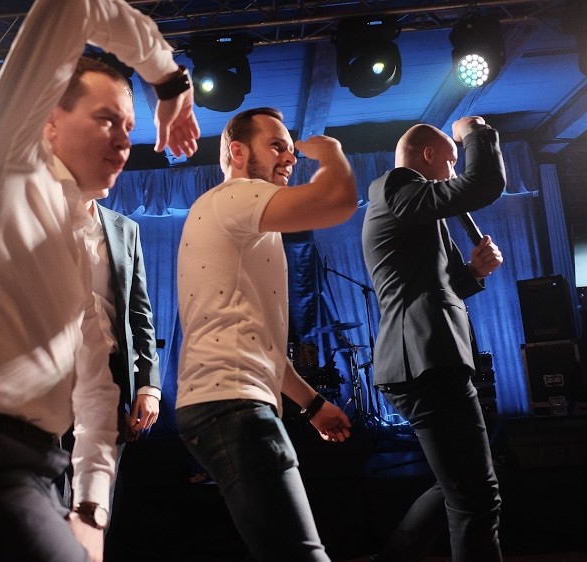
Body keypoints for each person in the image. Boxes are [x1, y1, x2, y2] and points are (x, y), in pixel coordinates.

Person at [0, 0, 199, 561]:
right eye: (107, 119)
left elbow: (96, 389)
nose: (125, 142)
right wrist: (169, 80)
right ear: (48, 119)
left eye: (129, 128)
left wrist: (91, 508)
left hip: (36, 471)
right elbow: (72, 7)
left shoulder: (83, 245)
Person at [176, 107, 358, 561]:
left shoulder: (244, 219)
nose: (290, 157)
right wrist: (332, 153)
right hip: (231, 405)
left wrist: (313, 405)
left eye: (292, 149)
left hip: (225, 402)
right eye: (277, 146)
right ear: (237, 153)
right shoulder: (236, 195)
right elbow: (337, 199)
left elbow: (261, 344)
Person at [361, 116, 506, 562]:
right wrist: (474, 131)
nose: (453, 171)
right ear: (428, 156)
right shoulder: (399, 189)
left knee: (459, 488)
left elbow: (438, 287)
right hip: (426, 362)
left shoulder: (409, 205)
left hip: (422, 361)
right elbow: (482, 184)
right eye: (451, 161)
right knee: (477, 497)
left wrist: (474, 271)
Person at [48, 94, 162, 508]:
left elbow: (140, 313)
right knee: (48, 505)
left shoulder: (125, 229)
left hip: (109, 380)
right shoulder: (32, 220)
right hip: (49, 380)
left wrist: (148, 385)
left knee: (95, 507)